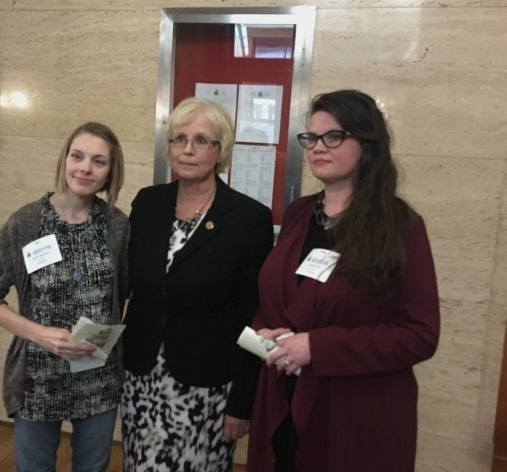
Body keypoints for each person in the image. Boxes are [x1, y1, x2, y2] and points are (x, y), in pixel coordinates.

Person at [247, 89, 440, 472]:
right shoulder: (300, 213)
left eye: (333, 136)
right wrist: (261, 335)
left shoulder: (400, 226)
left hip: (354, 414)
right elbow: (278, 299)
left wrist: (318, 347)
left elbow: (420, 334)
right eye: (311, 138)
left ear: (367, 144)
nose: (318, 147)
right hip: (283, 398)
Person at [121, 97, 274, 471]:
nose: (188, 149)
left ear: (221, 150)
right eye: (179, 138)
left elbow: (254, 315)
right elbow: (135, 290)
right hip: (141, 377)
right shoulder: (147, 203)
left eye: (202, 140)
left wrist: (242, 402)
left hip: (207, 385)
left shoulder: (249, 219)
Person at [0, 122, 129, 472]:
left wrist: (111, 336)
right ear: (64, 160)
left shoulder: (118, 226)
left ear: (110, 173)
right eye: (77, 156)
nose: (85, 168)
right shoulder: (26, 223)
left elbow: (129, 294)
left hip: (97, 375)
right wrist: (39, 334)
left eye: (98, 161)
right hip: (36, 379)